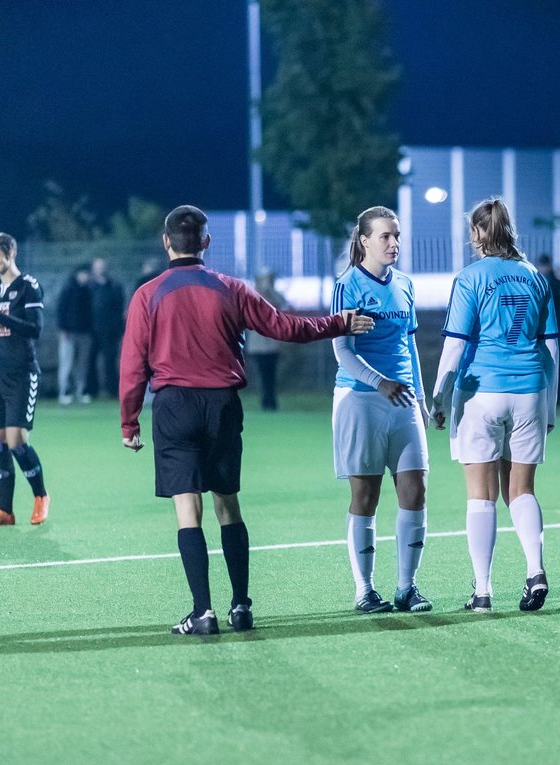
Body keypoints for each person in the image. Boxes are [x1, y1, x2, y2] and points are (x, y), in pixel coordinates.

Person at [119, 205, 374, 636]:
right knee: (227, 504)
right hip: (222, 405)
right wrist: (337, 323)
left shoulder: (148, 294)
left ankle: (202, 612)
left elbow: (132, 365)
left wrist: (129, 422)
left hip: (174, 406)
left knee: (188, 509)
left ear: (166, 243)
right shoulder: (231, 289)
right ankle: (241, 606)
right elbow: (284, 327)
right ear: (206, 242)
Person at [430, 197, 559, 613]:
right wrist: (550, 407)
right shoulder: (536, 278)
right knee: (521, 490)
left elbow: (455, 343)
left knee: (481, 496)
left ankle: (483, 591)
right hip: (529, 394)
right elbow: (551, 345)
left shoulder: (471, 277)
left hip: (481, 391)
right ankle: (535, 571)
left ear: (476, 234)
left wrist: (439, 394)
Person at [329, 207, 432, 614]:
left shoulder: (405, 284)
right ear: (364, 240)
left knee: (415, 489)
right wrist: (380, 382)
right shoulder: (348, 286)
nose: (394, 243)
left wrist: (422, 400)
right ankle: (365, 590)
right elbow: (342, 351)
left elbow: (408, 347)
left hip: (402, 401)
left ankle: (407, 587)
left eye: (398, 236)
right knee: (365, 494)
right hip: (360, 400)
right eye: (386, 236)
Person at [0, 233, 51, 526]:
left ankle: (41, 496)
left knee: (17, 441)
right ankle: (5, 511)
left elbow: (34, 329)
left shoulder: (28, 287)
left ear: (10, 253)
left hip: (21, 373)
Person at [86, 257, 125, 399]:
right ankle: (91, 390)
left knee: (110, 361)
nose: (99, 269)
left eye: (101, 266)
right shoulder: (89, 287)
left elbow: (119, 308)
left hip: (110, 331)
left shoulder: (114, 286)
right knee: (90, 361)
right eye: (97, 266)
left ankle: (112, 390)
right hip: (92, 330)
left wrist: (117, 327)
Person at [537, 253, 560, 400]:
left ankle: (558, 397)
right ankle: (545, 395)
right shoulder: (537, 283)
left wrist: (559, 323)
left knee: (555, 360)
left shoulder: (558, 284)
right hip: (539, 330)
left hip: (557, 328)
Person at [55, 263, 93, 404]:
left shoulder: (88, 291)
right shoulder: (68, 290)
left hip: (84, 333)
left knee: (82, 364)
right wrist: (63, 329)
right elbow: (61, 310)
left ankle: (81, 390)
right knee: (67, 363)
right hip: (69, 332)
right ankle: (64, 391)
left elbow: (90, 313)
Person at [249, 270, 285, 412]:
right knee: (263, 375)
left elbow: (280, 301)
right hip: (258, 347)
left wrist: (269, 289)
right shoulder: (253, 295)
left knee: (271, 375)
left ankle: (271, 402)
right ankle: (265, 401)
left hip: (272, 345)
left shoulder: (273, 296)